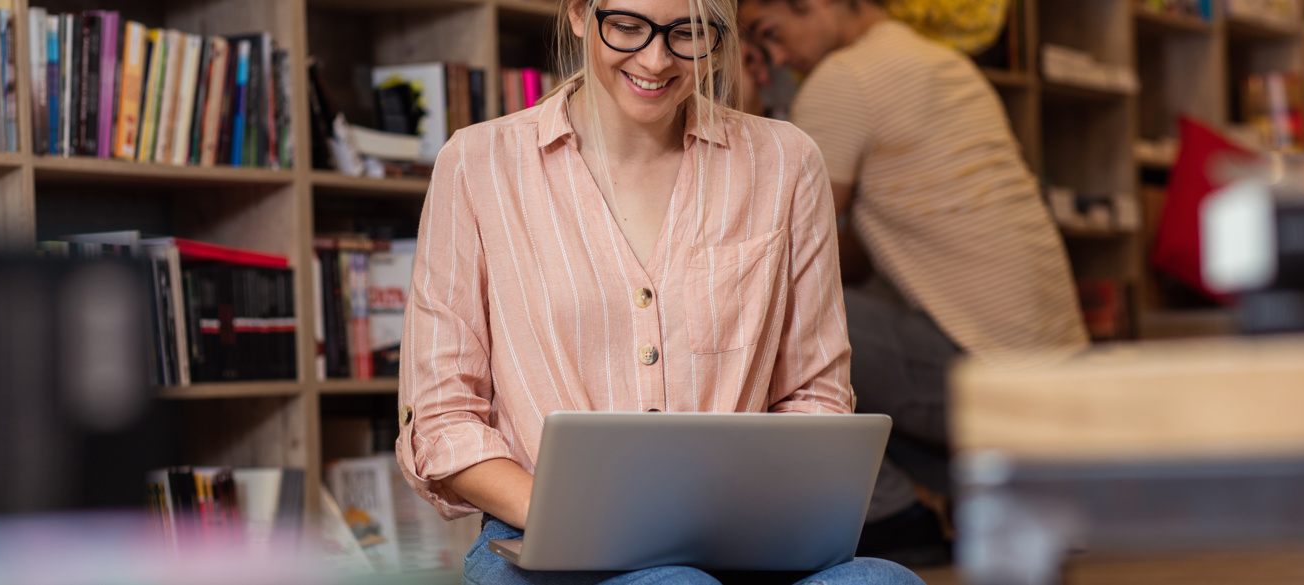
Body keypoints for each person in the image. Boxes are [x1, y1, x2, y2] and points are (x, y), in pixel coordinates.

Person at [394, 0, 927, 580]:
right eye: (627, 27)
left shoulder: (786, 162)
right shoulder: (477, 163)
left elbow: (815, 396)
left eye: (687, 34)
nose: (656, 59)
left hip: (733, 532)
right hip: (541, 533)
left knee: (884, 580)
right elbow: (443, 419)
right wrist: (583, 519)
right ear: (578, 13)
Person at [738, 0, 1090, 563]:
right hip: (1062, 383)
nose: (780, 59)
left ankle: (892, 515)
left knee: (764, 313)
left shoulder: (842, 78)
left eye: (774, 35)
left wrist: (744, 107)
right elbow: (847, 257)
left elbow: (781, 257)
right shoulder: (936, 60)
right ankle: (1005, 496)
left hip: (994, 377)